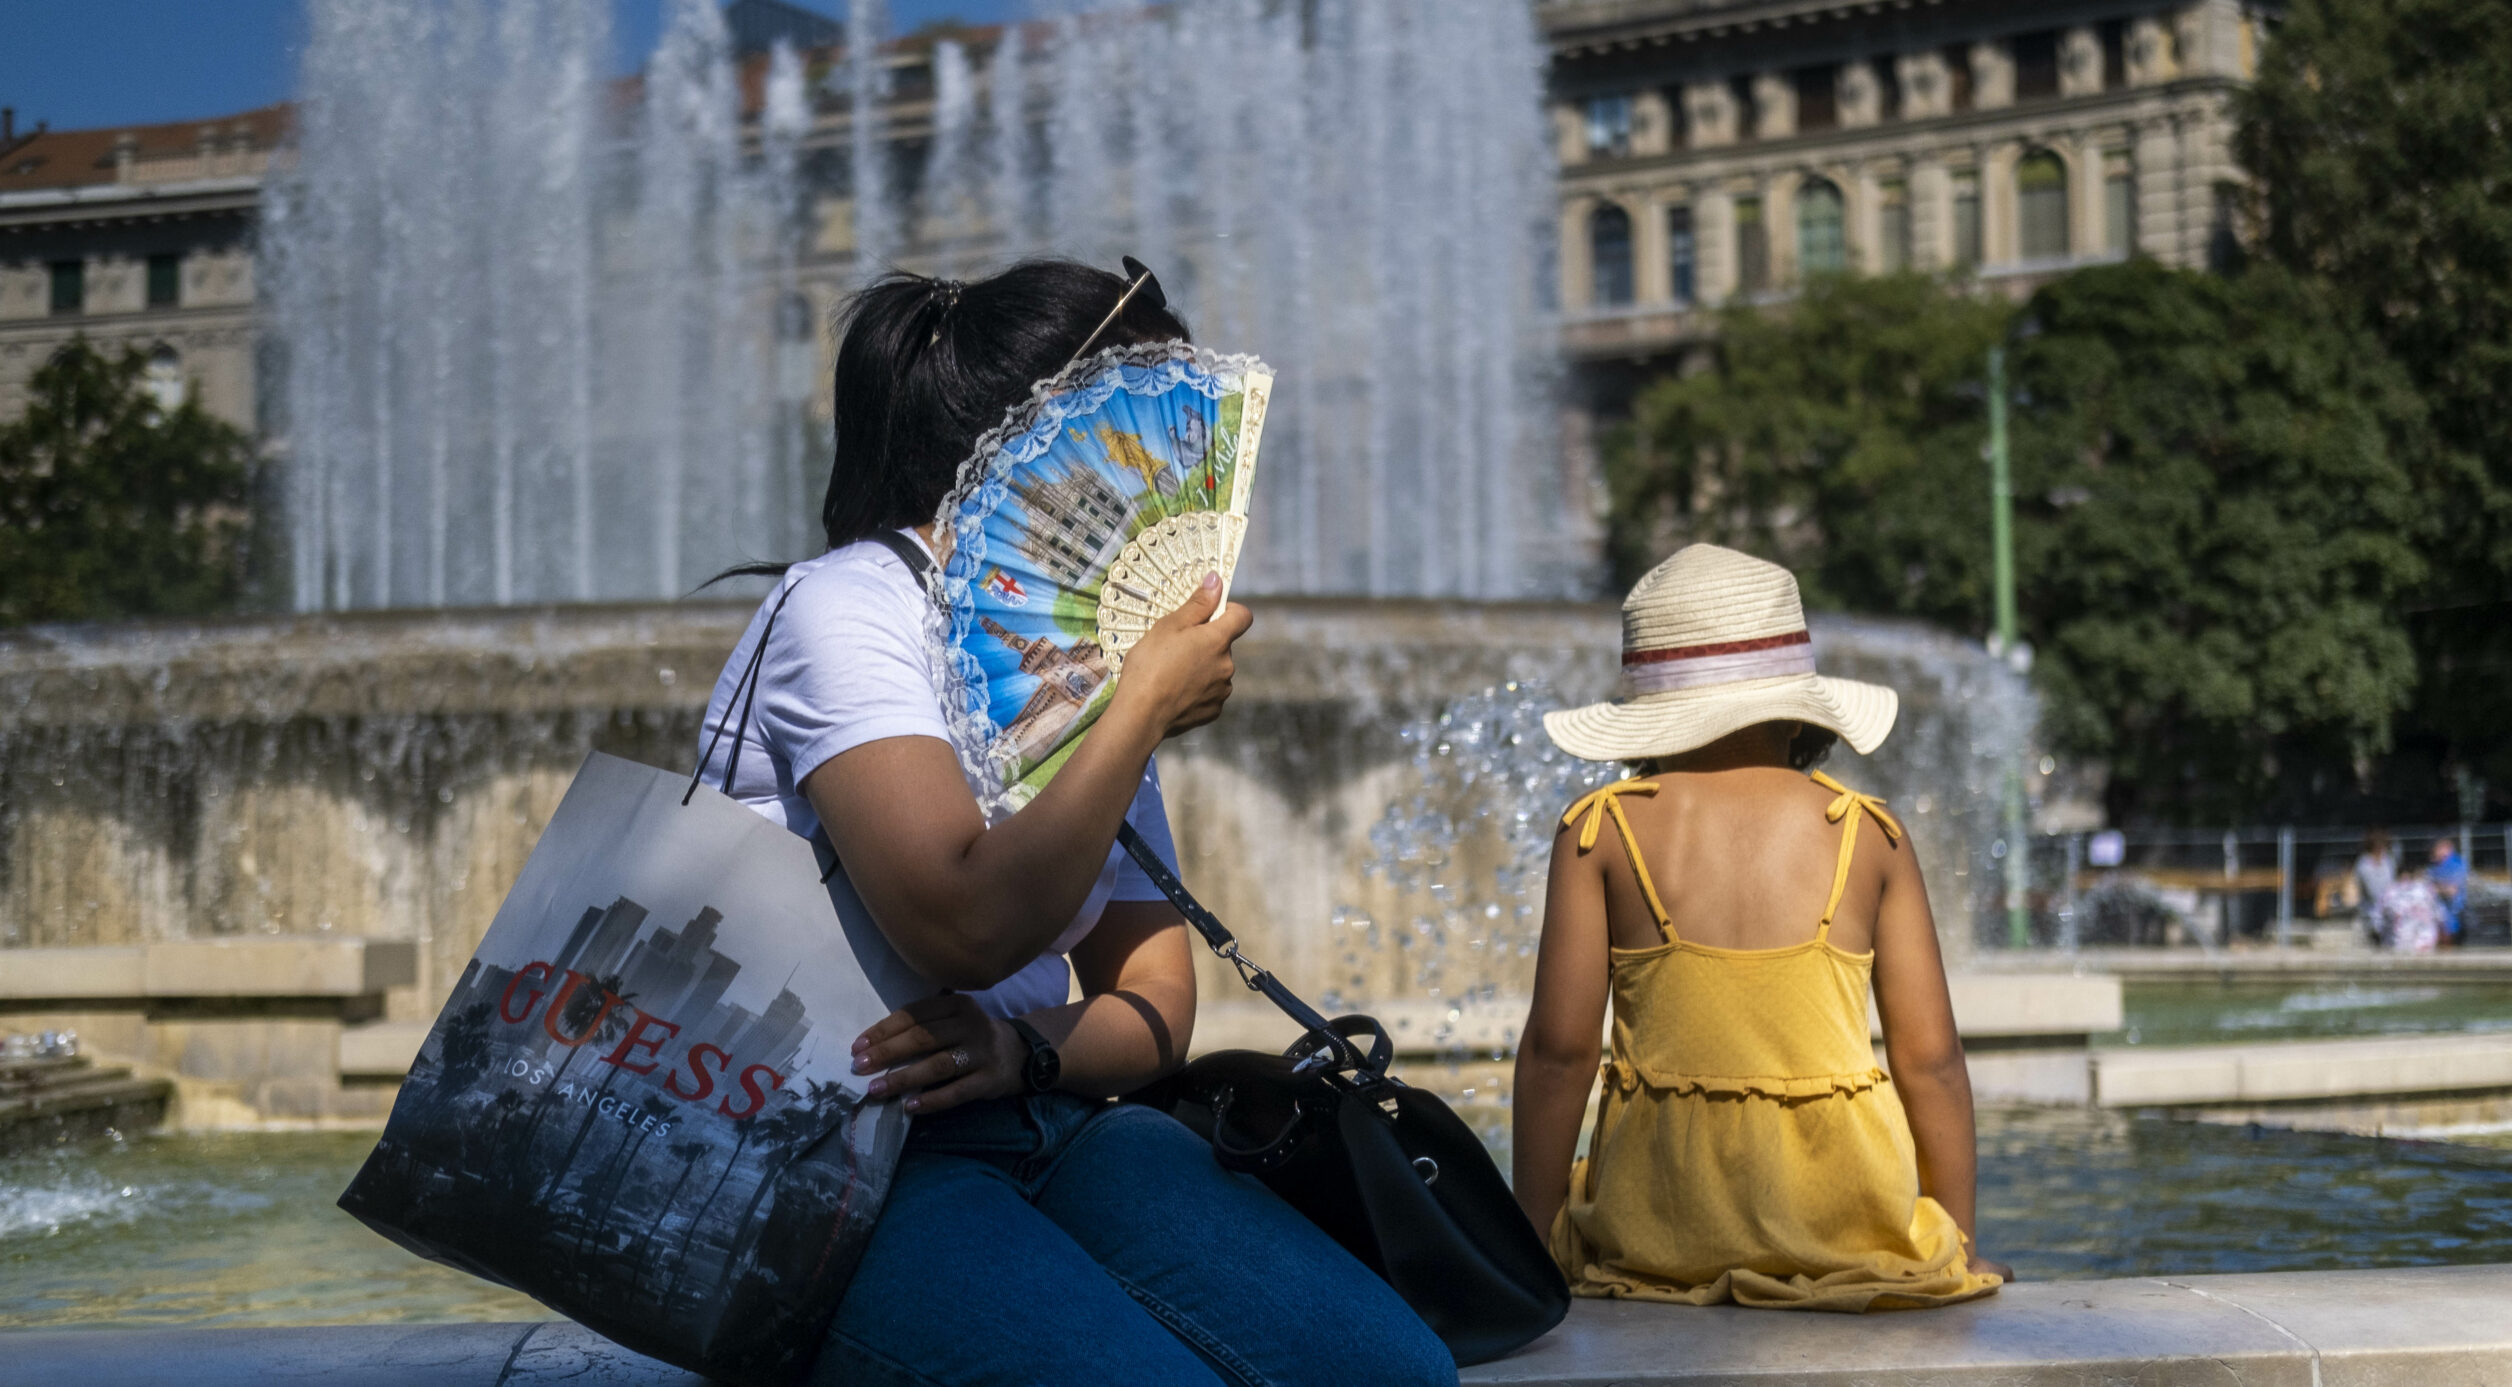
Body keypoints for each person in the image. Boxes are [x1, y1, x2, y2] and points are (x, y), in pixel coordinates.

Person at [696, 260, 1456, 1387]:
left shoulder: (1081, 657)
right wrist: (1141, 705)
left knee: (1395, 1373)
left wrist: (1019, 1049)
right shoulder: (846, 607)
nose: (1185, 472)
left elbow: (1155, 1006)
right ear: (1049, 440)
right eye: (1153, 426)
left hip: (1043, 1123)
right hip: (827, 1153)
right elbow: (960, 927)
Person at [1512, 544, 2006, 1310]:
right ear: (1800, 705)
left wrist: (1529, 1245)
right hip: (1846, 1225)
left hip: (1658, 1228)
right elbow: (1932, 1059)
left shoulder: (1599, 831)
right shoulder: (1867, 833)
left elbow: (1558, 1054)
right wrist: (1962, 1247)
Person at [2428, 835, 2469, 945]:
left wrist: (2436, 888)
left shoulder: (2455, 863)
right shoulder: (2436, 865)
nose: (2434, 852)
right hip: (2441, 916)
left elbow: (2452, 890)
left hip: (2453, 917)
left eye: (2437, 848)